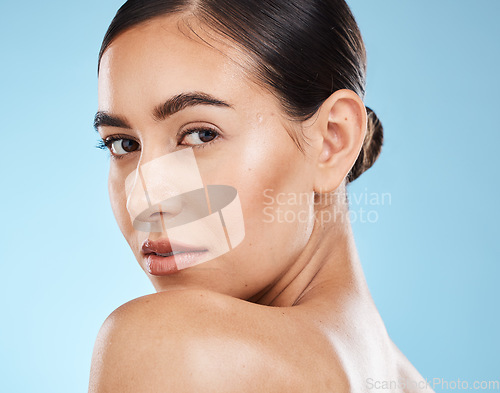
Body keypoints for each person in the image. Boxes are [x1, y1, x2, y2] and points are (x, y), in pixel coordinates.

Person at [89, 1, 433, 391]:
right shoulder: (407, 382)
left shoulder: (168, 345)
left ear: (332, 141)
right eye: (122, 144)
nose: (144, 200)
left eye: (201, 134)